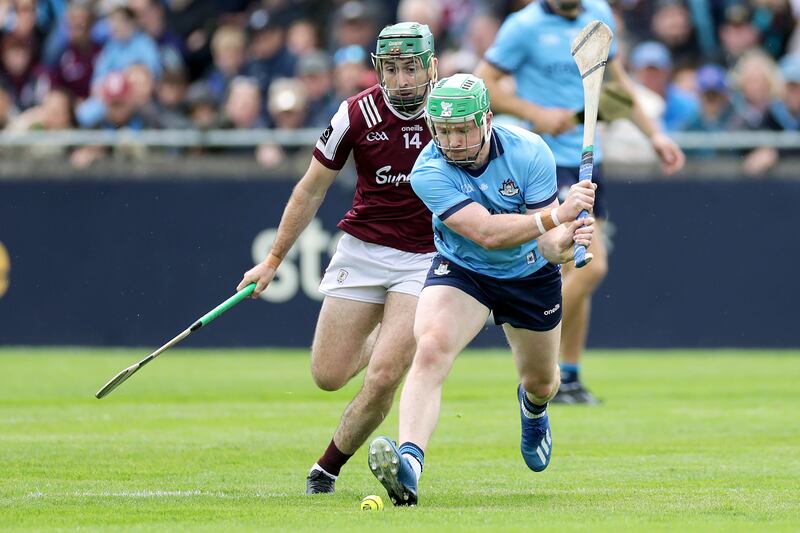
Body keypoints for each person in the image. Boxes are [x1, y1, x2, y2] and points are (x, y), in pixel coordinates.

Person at [367, 73, 596, 506]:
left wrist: (567, 242)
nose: (451, 141)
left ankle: (533, 410)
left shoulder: (530, 153)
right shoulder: (428, 170)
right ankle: (410, 465)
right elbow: (486, 234)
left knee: (543, 382)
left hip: (530, 275)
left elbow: (547, 245)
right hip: (464, 268)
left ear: (486, 120)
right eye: (443, 131)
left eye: (461, 129)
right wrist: (557, 216)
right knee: (431, 347)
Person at [237, 22, 439, 495]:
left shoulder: (452, 111)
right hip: (363, 250)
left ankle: (326, 468)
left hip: (426, 257)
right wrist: (273, 259)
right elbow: (311, 189)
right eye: (392, 68)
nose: (403, 79)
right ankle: (391, 334)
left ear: (431, 66)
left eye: (411, 68)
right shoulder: (355, 113)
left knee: (386, 373)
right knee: (327, 375)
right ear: (379, 69)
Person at [474, 0, 685, 404]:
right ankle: (530, 335)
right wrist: (532, 110)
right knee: (593, 264)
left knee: (579, 270)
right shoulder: (523, 26)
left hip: (590, 159)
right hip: (545, 162)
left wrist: (654, 135)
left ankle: (567, 376)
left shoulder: (597, 14)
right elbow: (484, 85)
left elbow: (616, 87)